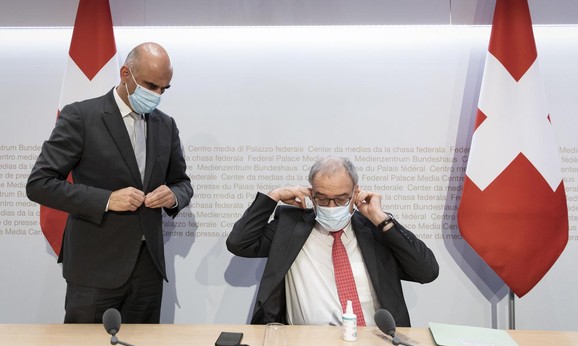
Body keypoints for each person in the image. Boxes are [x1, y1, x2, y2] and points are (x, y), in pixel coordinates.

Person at [26, 42, 193, 324]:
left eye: (164, 89)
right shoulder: (81, 116)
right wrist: (106, 199)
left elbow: (182, 182)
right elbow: (40, 183)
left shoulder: (166, 124)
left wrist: (173, 196)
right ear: (125, 74)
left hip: (147, 270)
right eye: (151, 86)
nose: (157, 95)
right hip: (94, 269)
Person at [226, 156, 438, 327]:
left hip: (374, 341)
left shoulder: (376, 229)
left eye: (341, 198)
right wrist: (274, 196)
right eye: (322, 198)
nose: (331, 205)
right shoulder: (290, 227)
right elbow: (239, 243)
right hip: (307, 345)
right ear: (311, 193)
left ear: (356, 193)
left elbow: (426, 272)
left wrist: (381, 219)